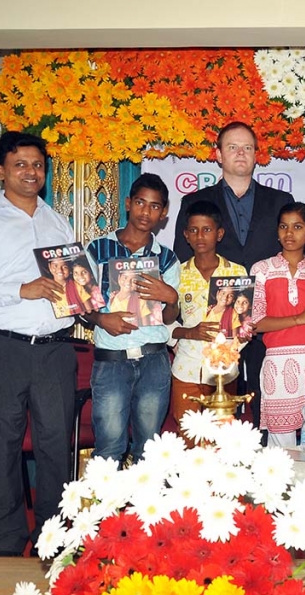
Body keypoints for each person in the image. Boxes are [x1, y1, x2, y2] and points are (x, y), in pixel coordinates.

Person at [0, 131, 77, 557]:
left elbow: (76, 280)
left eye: (38, 165)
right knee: (0, 446)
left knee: (55, 446)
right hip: (3, 349)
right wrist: (20, 289)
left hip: (56, 349)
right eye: (20, 164)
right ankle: (6, 542)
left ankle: (51, 538)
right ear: (1, 171)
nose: (30, 172)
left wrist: (84, 296)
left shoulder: (57, 222)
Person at [174, 121, 294, 436]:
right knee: (216, 411)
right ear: (218, 155)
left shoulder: (280, 201)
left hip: (267, 317)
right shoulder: (195, 202)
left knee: (266, 396)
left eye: (247, 148)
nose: (240, 153)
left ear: (256, 155)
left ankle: (263, 458)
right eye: (232, 147)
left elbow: (292, 252)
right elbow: (181, 261)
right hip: (215, 325)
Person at [85, 173, 180, 464]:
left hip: (154, 359)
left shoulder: (167, 258)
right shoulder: (98, 249)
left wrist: (171, 297)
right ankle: (104, 496)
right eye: (140, 202)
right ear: (128, 203)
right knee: (109, 449)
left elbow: (169, 317)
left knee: (149, 450)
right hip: (111, 359)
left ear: (163, 214)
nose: (145, 212)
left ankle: (145, 496)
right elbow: (81, 303)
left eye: (154, 206)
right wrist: (101, 320)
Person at [250, 202, 305, 447]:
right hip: (278, 365)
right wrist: (299, 318)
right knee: (282, 447)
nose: (289, 233)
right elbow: (255, 323)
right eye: (284, 227)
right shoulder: (262, 270)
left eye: (298, 227)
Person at [168, 200, 249, 437]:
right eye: (193, 230)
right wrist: (184, 335)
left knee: (222, 438)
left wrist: (237, 340)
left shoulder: (236, 272)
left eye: (207, 229)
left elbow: (244, 321)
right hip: (187, 367)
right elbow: (163, 320)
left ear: (219, 234)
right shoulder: (177, 273)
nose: (200, 236)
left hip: (224, 368)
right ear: (186, 235)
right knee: (189, 436)